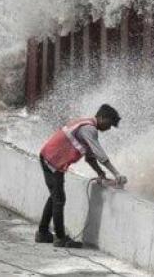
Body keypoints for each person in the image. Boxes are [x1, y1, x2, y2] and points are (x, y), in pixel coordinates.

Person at [37, 104, 126, 248]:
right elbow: (99, 154)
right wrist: (116, 173)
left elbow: (90, 158)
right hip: (52, 160)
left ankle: (42, 233)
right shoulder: (89, 129)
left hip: (50, 158)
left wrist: (100, 173)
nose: (109, 129)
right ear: (102, 118)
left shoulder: (85, 125)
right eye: (109, 124)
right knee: (59, 200)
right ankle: (60, 238)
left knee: (55, 197)